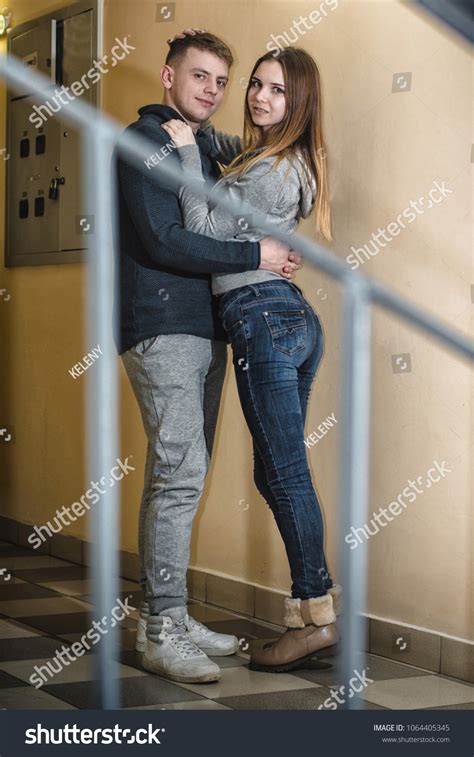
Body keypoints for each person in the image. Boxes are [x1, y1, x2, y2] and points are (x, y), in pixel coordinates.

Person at [114, 31, 302, 684]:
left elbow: (248, 171)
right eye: (200, 77)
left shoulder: (199, 146)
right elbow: (167, 240)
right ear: (168, 78)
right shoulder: (145, 141)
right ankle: (161, 629)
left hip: (205, 329)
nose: (213, 91)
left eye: (222, 81)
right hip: (162, 326)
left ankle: (169, 610)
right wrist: (259, 256)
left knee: (184, 473)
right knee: (180, 470)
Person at [161, 43, 343, 673]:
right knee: (278, 472)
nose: (261, 98)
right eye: (257, 86)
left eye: (278, 91)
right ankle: (315, 608)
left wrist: (185, 151)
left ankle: (314, 614)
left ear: (300, 102)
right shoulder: (273, 158)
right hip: (286, 316)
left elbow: (202, 234)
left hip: (263, 317)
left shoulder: (270, 168)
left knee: (285, 474)